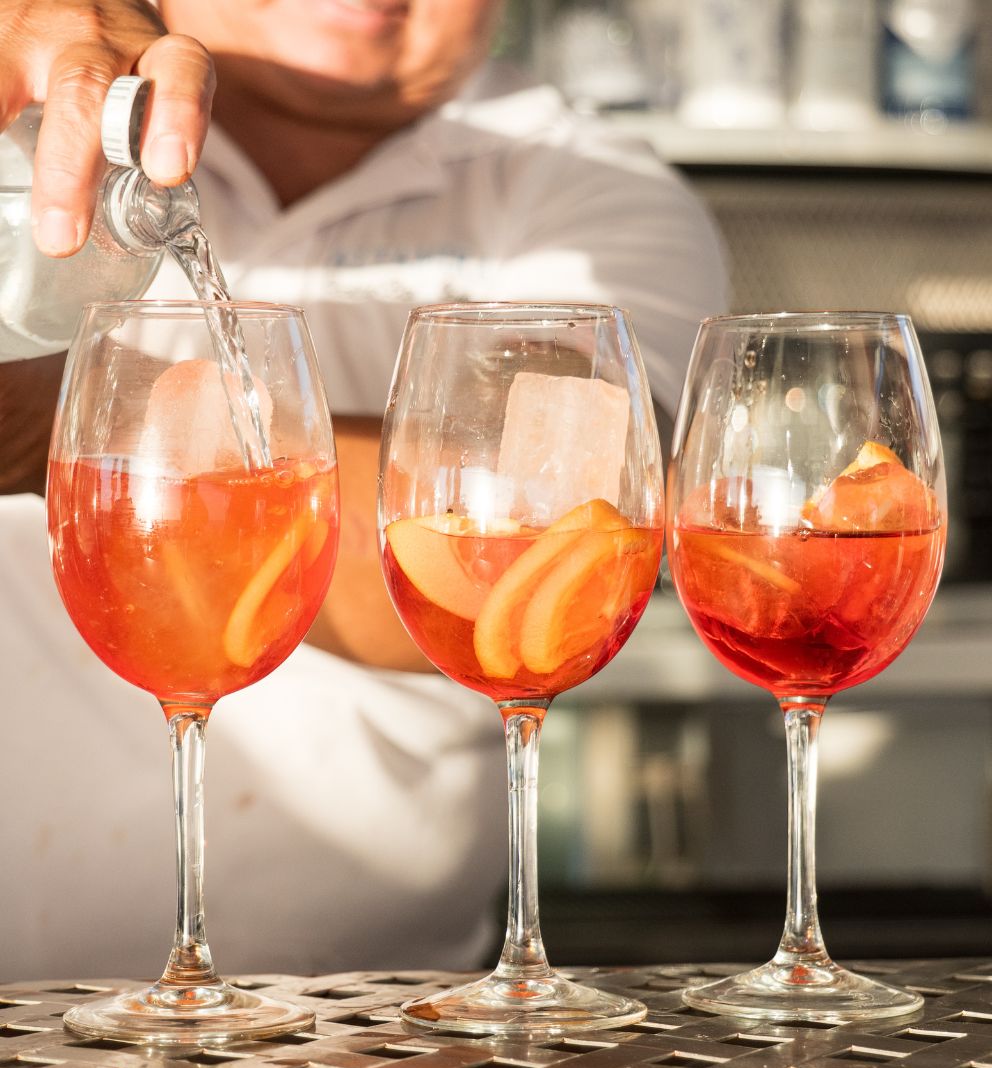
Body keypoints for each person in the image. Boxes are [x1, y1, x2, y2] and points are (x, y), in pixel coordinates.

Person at [0, 0, 727, 981]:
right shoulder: (30, 118)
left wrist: (62, 433)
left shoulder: (590, 187)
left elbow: (546, 552)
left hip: (385, 1019)